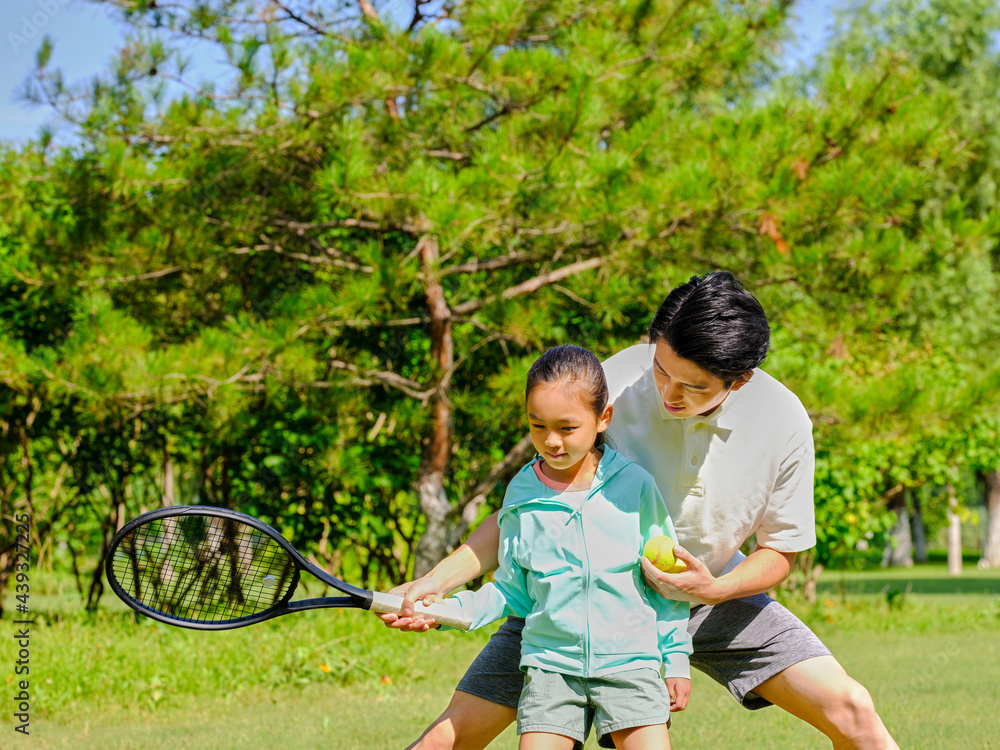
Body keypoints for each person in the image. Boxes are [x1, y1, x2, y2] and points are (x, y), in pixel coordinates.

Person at [385, 272, 900, 750]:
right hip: (573, 600)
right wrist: (439, 579)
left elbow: (780, 552)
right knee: (442, 743)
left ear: (739, 379)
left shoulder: (782, 420)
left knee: (854, 713)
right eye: (662, 369)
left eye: (692, 386)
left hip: (711, 594)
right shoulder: (616, 381)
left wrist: (713, 588)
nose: (667, 393)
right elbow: (533, 511)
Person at [442, 345, 691, 750]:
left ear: (602, 418)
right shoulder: (521, 493)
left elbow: (667, 582)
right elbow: (510, 589)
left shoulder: (635, 486)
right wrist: (448, 610)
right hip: (550, 670)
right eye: (537, 426)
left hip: (630, 665)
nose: (551, 441)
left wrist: (676, 658)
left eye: (566, 427)